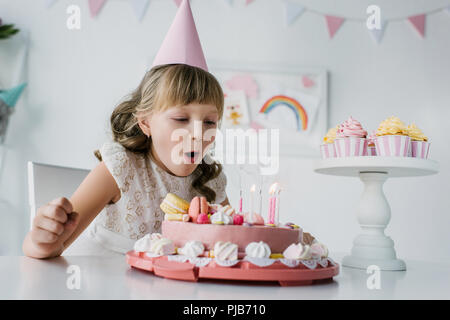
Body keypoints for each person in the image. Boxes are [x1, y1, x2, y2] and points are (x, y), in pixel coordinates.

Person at [22, 0, 229, 258]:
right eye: (180, 119)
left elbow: (233, 246)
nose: (199, 133)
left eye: (209, 122)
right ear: (145, 122)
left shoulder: (209, 182)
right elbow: (54, 246)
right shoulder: (121, 170)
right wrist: (42, 240)